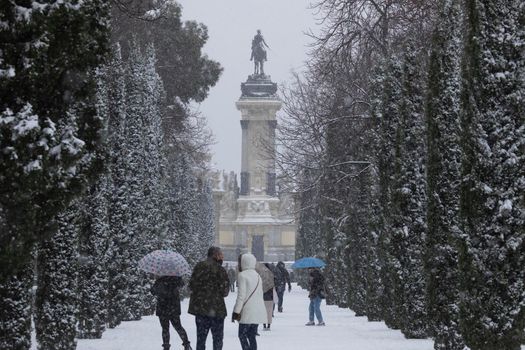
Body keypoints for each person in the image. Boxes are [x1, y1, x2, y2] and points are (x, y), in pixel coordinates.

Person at [188, 247, 230, 350]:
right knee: (217, 340)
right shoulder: (220, 270)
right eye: (220, 254)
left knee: (201, 340)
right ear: (215, 255)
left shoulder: (199, 267)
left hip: (201, 309)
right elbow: (225, 292)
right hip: (217, 310)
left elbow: (191, 286)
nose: (222, 256)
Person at [232, 253, 267, 350]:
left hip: (247, 312)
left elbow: (241, 296)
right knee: (252, 336)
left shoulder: (242, 275)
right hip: (257, 311)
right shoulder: (258, 276)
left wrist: (236, 311)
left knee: (242, 335)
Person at [151, 275, 192, 350]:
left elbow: (153, 291)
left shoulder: (160, 279)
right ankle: (186, 344)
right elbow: (182, 285)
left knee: (165, 329)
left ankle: (166, 346)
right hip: (174, 308)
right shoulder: (176, 278)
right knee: (178, 327)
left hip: (162, 307)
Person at [262, 263, 275, 330]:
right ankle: (268, 326)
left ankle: (264, 325)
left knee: (263, 312)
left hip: (263, 296)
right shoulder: (271, 275)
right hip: (270, 296)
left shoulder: (261, 275)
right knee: (269, 312)